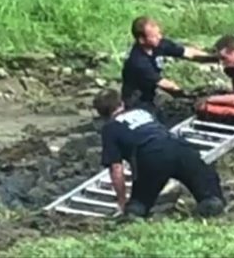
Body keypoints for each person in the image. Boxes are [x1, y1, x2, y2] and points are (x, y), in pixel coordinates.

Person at [93, 88, 226, 218]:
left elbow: (116, 168)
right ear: (121, 103)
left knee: (138, 206)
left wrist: (122, 201)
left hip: (151, 156)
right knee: (207, 189)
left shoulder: (110, 128)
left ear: (101, 114)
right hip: (178, 146)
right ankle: (212, 207)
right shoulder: (142, 111)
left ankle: (135, 216)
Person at [121, 16, 214, 116]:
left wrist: (213, 58)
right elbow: (164, 84)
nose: (159, 37)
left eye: (159, 34)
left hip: (150, 92)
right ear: (142, 40)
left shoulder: (159, 44)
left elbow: (187, 52)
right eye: (154, 37)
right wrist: (188, 95)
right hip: (135, 98)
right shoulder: (138, 61)